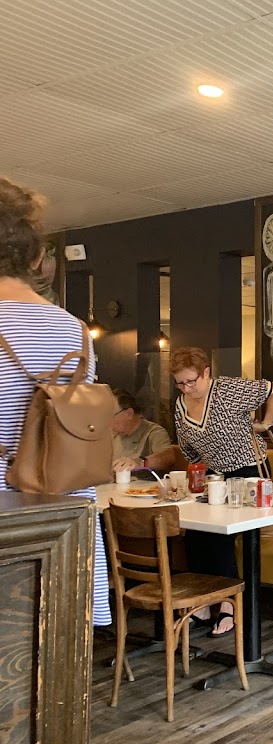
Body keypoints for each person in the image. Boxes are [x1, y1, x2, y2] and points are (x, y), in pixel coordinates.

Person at [0, 178, 111, 628]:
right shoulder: (75, 330)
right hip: (66, 517)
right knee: (59, 654)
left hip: (6, 515)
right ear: (35, 256)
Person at [169, 346, 273, 636]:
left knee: (220, 534)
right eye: (180, 383)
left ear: (206, 373)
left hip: (248, 473)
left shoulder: (228, 390)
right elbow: (187, 446)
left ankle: (229, 604)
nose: (186, 388)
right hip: (214, 475)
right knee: (195, 535)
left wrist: (265, 423)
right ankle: (202, 603)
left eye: (191, 381)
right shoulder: (181, 404)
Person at [110, 388, 175, 473]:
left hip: (141, 481)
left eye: (110, 415)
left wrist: (140, 463)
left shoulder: (154, 432)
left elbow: (168, 457)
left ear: (129, 414)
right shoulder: (110, 435)